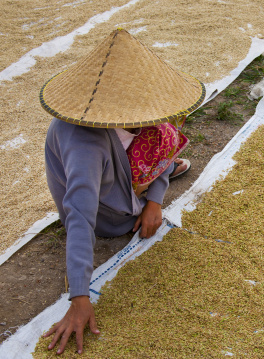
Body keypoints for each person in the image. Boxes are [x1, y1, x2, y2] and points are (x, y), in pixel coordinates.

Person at [39, 28, 205, 355]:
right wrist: (80, 297)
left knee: (166, 147)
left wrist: (155, 200)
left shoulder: (148, 119)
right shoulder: (86, 145)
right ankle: (161, 177)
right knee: (102, 202)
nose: (156, 114)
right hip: (111, 214)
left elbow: (160, 147)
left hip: (131, 179)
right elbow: (80, 218)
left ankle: (165, 175)